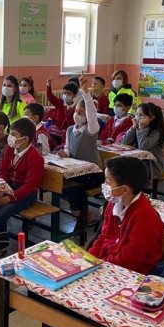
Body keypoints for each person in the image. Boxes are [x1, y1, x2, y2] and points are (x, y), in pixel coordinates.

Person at [25, 156, 164, 327]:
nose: (104, 186)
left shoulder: (145, 216)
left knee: (75, 304)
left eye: (108, 182)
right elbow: (103, 238)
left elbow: (129, 261)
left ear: (125, 189)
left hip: (132, 281)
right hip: (108, 271)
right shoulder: (114, 205)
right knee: (55, 294)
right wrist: (87, 261)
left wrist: (96, 267)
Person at [57, 76, 104, 226]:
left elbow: (91, 114)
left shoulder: (91, 130)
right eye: (76, 111)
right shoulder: (70, 130)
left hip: (93, 173)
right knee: (62, 186)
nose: (77, 115)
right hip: (76, 171)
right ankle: (81, 214)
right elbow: (68, 148)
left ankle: (81, 218)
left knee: (75, 188)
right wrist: (65, 153)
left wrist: (86, 94)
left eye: (81, 113)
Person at [0, 117, 44, 232]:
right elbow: (3, 171)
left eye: (13, 134)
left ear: (25, 139)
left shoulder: (35, 157)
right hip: (9, 188)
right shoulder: (10, 149)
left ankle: (1, 242)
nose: (10, 137)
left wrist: (8, 198)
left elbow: (29, 186)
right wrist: (1, 189)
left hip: (26, 195)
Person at [122, 102, 164, 180]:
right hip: (138, 161)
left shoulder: (156, 132)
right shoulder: (137, 128)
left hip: (152, 165)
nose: (137, 117)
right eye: (137, 114)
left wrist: (142, 129)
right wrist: (133, 128)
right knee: (120, 168)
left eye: (141, 115)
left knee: (128, 173)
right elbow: (124, 143)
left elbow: (143, 146)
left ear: (151, 118)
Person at [45, 76, 78, 144]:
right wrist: (48, 86)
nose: (66, 95)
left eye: (69, 93)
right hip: (57, 130)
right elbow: (51, 97)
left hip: (69, 133)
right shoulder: (60, 102)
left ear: (74, 95)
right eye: (64, 93)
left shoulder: (77, 106)